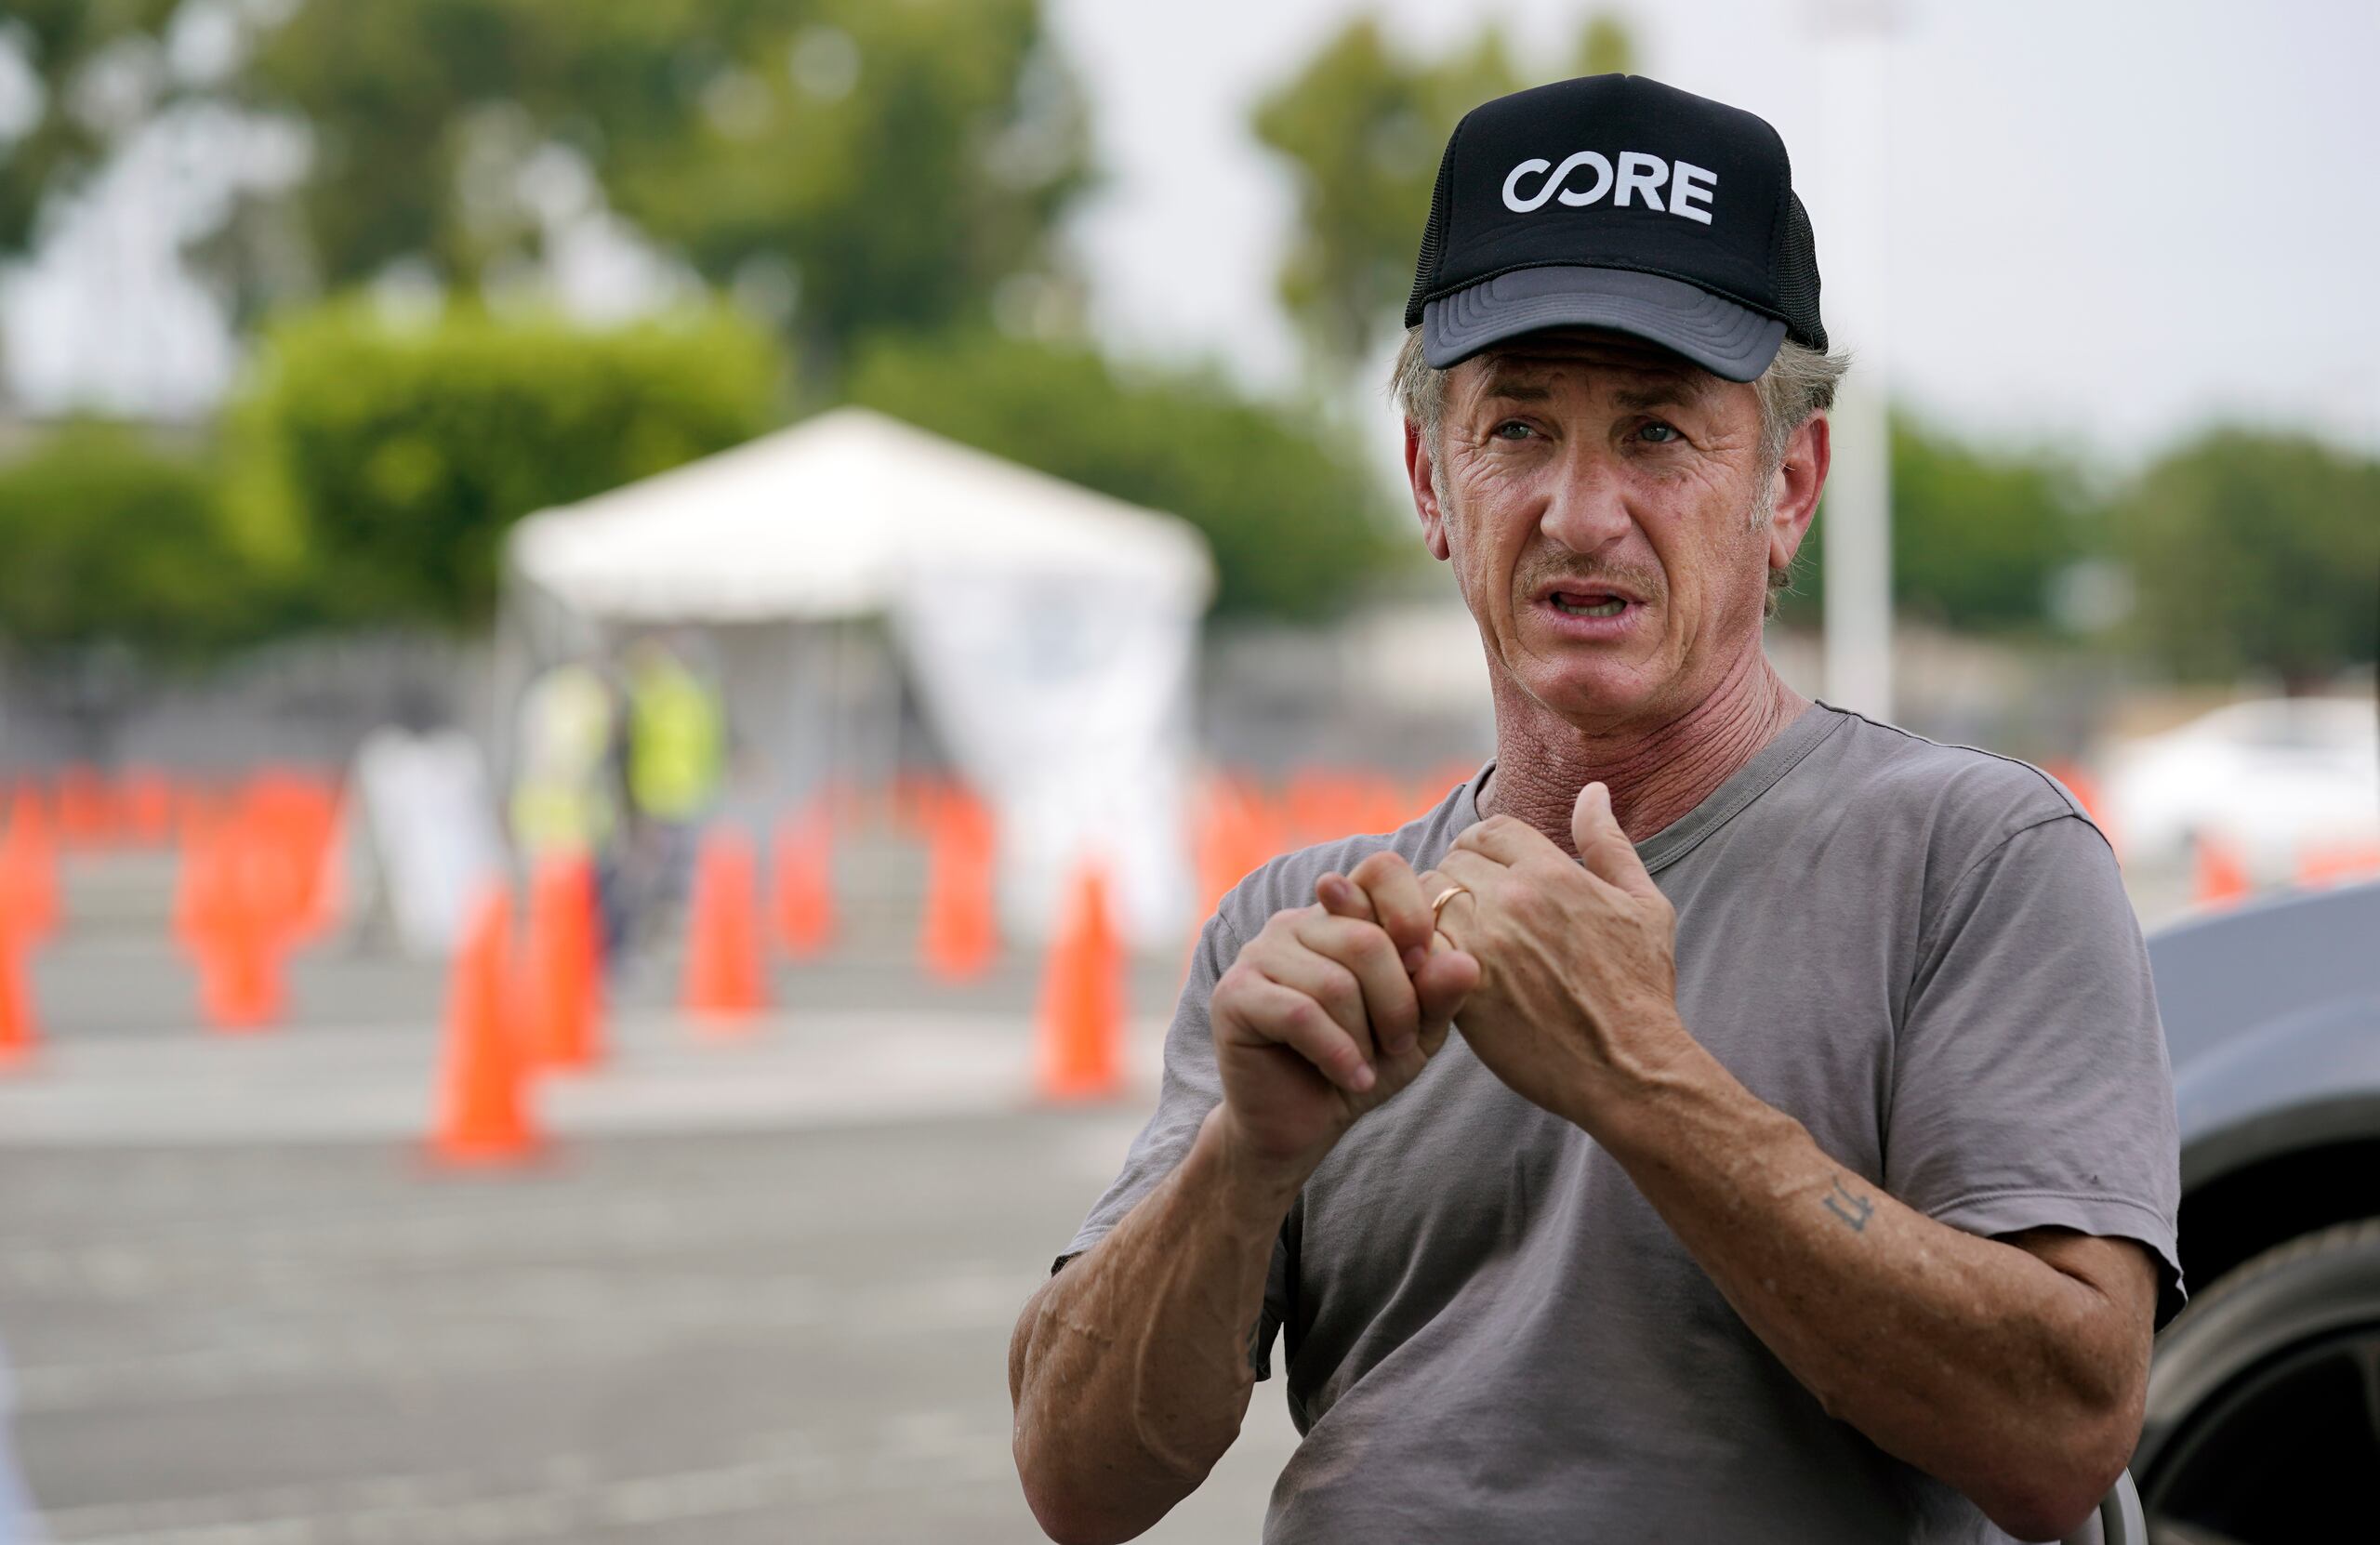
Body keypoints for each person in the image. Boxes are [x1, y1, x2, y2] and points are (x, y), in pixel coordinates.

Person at [1009, 74, 2178, 1544]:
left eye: (1656, 433)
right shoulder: (1304, 929)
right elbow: (1073, 1480)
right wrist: (1242, 1166)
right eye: (1515, 429)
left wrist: (1641, 1079)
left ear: (1789, 485)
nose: (1578, 510)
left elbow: (2066, 1430)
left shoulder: (1977, 863)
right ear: (1433, 481)